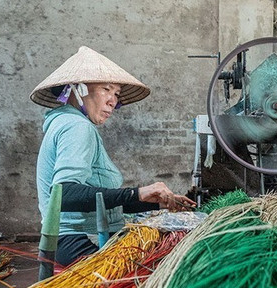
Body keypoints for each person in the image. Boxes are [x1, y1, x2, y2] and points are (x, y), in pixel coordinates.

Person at [31, 46, 195, 266]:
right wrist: (136, 192)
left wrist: (153, 202)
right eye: (105, 89)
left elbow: (98, 202)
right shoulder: (77, 127)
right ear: (76, 90)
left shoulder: (63, 122)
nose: (112, 101)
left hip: (64, 241)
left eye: (116, 94)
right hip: (78, 241)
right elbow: (65, 195)